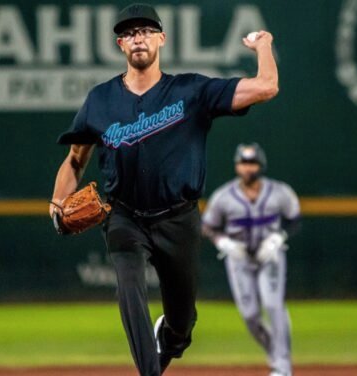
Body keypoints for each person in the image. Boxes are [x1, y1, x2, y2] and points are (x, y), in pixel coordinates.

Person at [49, 3, 279, 375]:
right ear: (120, 45)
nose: (137, 38)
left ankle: (168, 341)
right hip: (125, 215)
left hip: (179, 217)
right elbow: (76, 160)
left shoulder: (192, 91)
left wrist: (264, 44)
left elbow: (267, 87)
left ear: (161, 38)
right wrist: (58, 200)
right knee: (129, 289)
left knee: (182, 325)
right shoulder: (99, 100)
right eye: (128, 33)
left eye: (145, 31)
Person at [202, 143, 300, 376]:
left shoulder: (279, 191)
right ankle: (275, 352)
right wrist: (223, 242)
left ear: (261, 165)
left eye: (252, 163)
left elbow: (294, 219)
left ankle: (282, 366)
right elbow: (208, 227)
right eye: (244, 163)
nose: (248, 168)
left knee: (273, 305)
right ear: (237, 166)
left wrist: (278, 237)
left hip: (271, 257)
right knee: (250, 315)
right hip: (239, 258)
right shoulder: (224, 196)